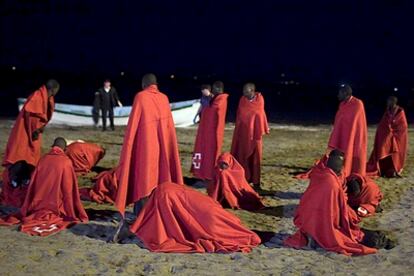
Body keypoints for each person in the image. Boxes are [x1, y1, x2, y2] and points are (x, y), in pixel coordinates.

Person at [113, 74, 183, 241]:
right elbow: (168, 131)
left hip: (145, 149)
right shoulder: (164, 99)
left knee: (144, 182)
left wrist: (129, 150)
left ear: (144, 84)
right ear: (156, 84)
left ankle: (142, 223)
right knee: (157, 182)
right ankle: (147, 219)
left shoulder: (141, 97)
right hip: (161, 149)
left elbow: (133, 128)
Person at [285, 150, 377, 255]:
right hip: (321, 221)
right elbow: (335, 211)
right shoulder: (331, 182)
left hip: (307, 220)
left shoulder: (320, 173)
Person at [129, 182, 261, 253]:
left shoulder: (162, 196)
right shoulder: (164, 190)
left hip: (210, 215)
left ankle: (245, 234)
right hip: (210, 208)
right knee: (227, 226)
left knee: (223, 231)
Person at [0, 138, 88, 236]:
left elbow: (35, 181)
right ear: (64, 148)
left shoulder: (44, 159)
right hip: (57, 201)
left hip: (39, 199)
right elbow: (68, 186)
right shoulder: (66, 161)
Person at [1, 79, 59, 207]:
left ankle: (24, 180)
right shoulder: (37, 96)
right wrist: (36, 129)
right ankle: (15, 181)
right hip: (26, 131)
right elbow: (32, 115)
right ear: (53, 89)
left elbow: (41, 116)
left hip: (33, 131)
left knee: (30, 156)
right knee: (20, 154)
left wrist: (40, 127)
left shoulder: (45, 97)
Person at [296, 85, 367, 179]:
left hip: (352, 136)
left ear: (345, 93)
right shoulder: (342, 104)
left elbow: (356, 124)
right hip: (343, 135)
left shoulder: (357, 104)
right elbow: (340, 121)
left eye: (340, 93)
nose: (338, 95)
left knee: (350, 153)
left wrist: (350, 135)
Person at [231, 83, 269, 188]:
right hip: (243, 133)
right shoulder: (242, 100)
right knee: (242, 156)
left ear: (252, 91)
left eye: (246, 91)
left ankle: (256, 183)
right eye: (243, 91)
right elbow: (240, 114)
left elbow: (258, 113)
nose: (244, 93)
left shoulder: (259, 100)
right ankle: (245, 180)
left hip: (256, 134)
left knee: (256, 158)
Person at [191, 81, 228, 181]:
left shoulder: (220, 99)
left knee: (210, 154)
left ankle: (208, 175)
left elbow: (212, 111)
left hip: (212, 132)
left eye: (214, 88)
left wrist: (205, 109)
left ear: (217, 89)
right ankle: (200, 173)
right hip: (206, 130)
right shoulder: (214, 98)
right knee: (202, 151)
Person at [367, 96, 408, 177]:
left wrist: (392, 131)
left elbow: (403, 126)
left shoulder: (400, 111)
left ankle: (394, 168)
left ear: (393, 102)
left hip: (397, 137)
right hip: (388, 136)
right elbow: (383, 124)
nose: (387, 102)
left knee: (395, 153)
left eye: (389, 101)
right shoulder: (387, 111)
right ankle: (383, 167)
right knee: (382, 147)